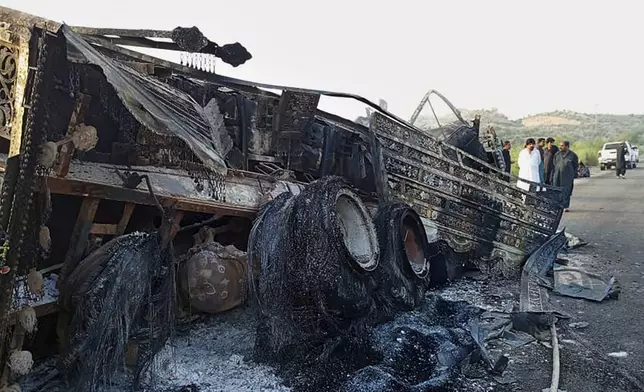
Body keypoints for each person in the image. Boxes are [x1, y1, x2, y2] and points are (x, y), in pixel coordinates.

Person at [552, 141, 579, 212]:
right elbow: (554, 163)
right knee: (557, 190)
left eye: (562, 146)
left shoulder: (573, 155)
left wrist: (572, 174)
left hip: (567, 177)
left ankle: (565, 206)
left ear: (567, 146)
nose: (560, 147)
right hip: (557, 175)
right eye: (560, 145)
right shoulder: (557, 154)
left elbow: (575, 166)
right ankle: (558, 205)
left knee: (566, 191)